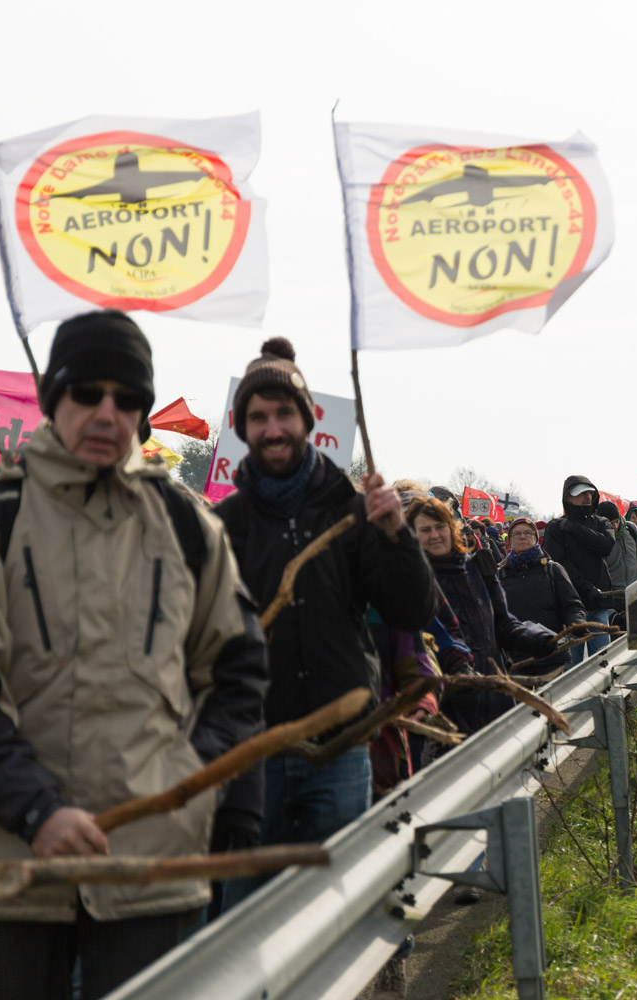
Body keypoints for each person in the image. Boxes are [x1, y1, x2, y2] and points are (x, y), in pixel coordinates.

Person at [0, 311, 268, 1000]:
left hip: (148, 868)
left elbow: (237, 673)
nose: (108, 412)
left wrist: (187, 790)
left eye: (127, 398)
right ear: (54, 399)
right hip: (15, 865)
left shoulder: (188, 527)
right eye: (88, 393)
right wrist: (38, 812)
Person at [213, 339, 432, 880]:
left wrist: (397, 536)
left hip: (341, 748)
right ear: (242, 427)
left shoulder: (353, 512)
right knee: (255, 921)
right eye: (257, 416)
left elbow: (413, 609)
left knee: (337, 906)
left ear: (308, 419)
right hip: (253, 755)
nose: (272, 428)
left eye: (284, 412)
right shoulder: (225, 525)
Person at [409, 498, 558, 730]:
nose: (435, 535)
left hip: (496, 694)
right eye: (425, 530)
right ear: (413, 535)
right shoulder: (413, 582)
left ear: (452, 528)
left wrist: (536, 639)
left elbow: (504, 624)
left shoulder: (478, 567)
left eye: (440, 527)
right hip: (449, 705)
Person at [543, 476, 616, 665]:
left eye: (589, 493)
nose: (587, 497)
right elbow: (561, 564)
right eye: (581, 494)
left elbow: (606, 545)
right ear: (568, 497)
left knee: (603, 663)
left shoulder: (602, 522)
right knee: (571, 670)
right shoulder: (555, 528)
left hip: (598, 604)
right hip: (569, 608)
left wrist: (575, 528)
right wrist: (586, 587)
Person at [499, 515, 586, 674]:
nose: (522, 536)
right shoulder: (500, 574)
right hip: (514, 657)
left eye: (528, 533)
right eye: (517, 534)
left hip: (551, 653)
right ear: (509, 540)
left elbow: (572, 605)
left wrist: (577, 622)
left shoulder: (553, 569)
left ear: (536, 539)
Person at [596, 499, 637, 603]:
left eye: (617, 521)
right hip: (613, 597)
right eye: (610, 523)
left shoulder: (631, 529)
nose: (615, 526)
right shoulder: (598, 538)